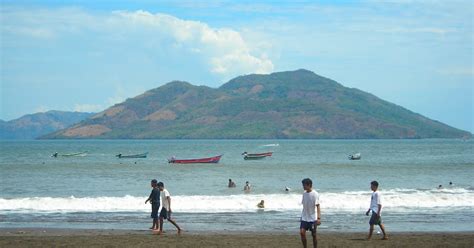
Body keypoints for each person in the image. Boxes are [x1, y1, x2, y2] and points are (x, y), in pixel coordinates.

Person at [300, 178, 320, 248]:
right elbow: (304, 206)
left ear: (309, 185)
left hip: (313, 218)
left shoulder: (315, 194)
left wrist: (318, 218)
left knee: (314, 234)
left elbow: (318, 206)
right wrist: (301, 216)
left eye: (304, 185)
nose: (303, 187)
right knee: (302, 233)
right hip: (304, 217)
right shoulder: (304, 193)